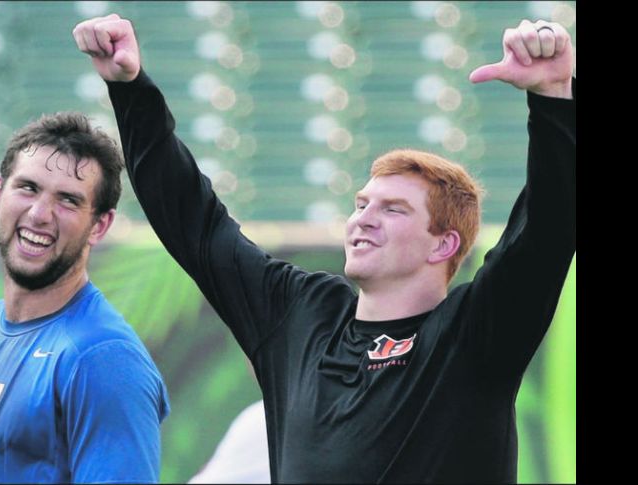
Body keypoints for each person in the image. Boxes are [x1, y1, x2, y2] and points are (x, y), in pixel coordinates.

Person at [74, 14, 575, 483]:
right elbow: (193, 221)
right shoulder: (299, 315)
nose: (364, 219)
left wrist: (552, 97)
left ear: (443, 245)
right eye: (361, 204)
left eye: (393, 209)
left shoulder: (475, 335)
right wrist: (129, 88)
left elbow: (545, 234)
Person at [0, 112, 170, 483]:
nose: (40, 214)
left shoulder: (104, 360)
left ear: (100, 225)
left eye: (68, 201)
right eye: (27, 187)